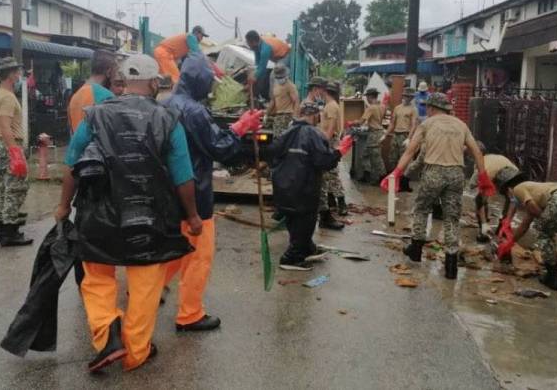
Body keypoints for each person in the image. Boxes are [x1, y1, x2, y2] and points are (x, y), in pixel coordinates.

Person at [55, 54, 202, 372]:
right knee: (146, 282)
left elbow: (72, 165)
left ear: (121, 81)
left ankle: (108, 332)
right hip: (149, 219)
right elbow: (183, 176)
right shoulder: (168, 119)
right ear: (153, 83)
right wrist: (192, 216)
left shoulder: (93, 116)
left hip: (98, 215)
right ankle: (136, 352)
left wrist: (64, 206)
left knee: (96, 277)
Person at [161, 52, 263, 331]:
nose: (210, 89)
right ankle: (190, 314)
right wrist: (241, 129)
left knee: (171, 249)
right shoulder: (195, 111)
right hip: (195, 194)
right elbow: (220, 148)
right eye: (209, 83)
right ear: (200, 81)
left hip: (168, 193)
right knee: (198, 257)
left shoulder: (166, 104)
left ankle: (147, 290)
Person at [382, 93, 494, 280]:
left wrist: (396, 172)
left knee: (421, 209)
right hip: (456, 174)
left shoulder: (427, 124)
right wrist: (483, 176)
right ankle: (451, 266)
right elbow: (476, 152)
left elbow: (410, 151)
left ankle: (416, 250)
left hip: (434, 172)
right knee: (452, 218)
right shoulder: (461, 125)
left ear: (432, 108)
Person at [269, 101, 352, 271]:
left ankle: (306, 247)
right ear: (316, 116)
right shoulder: (314, 134)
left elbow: (272, 154)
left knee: (294, 221)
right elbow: (324, 161)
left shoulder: (287, 131)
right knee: (305, 222)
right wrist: (340, 151)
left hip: (284, 189)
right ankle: (292, 258)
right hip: (303, 190)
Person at [0, 56, 33, 247]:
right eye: (17, 71)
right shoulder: (7, 97)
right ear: (11, 74)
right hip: (9, 145)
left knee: (4, 188)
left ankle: (0, 229)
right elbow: (5, 126)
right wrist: (15, 152)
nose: (20, 74)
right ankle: (10, 232)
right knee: (15, 189)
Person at [505, 181, 557, 290]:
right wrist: (510, 243)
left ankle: (553, 277)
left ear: (509, 190)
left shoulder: (518, 189)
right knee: (550, 226)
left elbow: (531, 205)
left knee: (543, 233)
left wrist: (545, 222)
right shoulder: (536, 192)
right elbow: (524, 225)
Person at [306, 78, 345, 229]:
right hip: (327, 140)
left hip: (328, 142)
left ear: (325, 91)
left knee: (331, 174)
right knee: (327, 176)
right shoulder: (330, 105)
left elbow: (331, 128)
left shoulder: (332, 106)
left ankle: (338, 204)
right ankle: (330, 206)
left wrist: (323, 144)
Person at [469, 147, 525, 243]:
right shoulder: (485, 170)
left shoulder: (515, 175)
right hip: (498, 172)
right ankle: (485, 230)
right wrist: (484, 224)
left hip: (510, 172)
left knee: (512, 199)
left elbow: (513, 201)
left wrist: (507, 222)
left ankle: (501, 229)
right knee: (480, 199)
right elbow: (481, 199)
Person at [67, 49, 118, 133]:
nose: (115, 77)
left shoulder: (75, 96)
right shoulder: (107, 96)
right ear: (108, 72)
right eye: (115, 72)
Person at [384, 87, 418, 192]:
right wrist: (386, 134)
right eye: (406, 96)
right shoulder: (397, 108)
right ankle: (394, 182)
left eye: (409, 96)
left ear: (412, 98)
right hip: (396, 135)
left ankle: (404, 185)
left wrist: (409, 138)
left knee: (405, 161)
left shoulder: (413, 109)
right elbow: (392, 123)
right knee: (392, 159)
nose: (407, 98)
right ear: (403, 96)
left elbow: (413, 125)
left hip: (405, 135)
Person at [245, 30, 291, 98]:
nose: (248, 44)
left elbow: (262, 67)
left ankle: (273, 99)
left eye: (248, 42)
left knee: (274, 75)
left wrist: (254, 78)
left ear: (253, 41)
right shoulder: (257, 47)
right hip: (278, 59)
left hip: (286, 55)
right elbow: (257, 65)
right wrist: (253, 75)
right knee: (261, 75)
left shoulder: (265, 48)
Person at [357, 87, 386, 185]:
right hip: (380, 132)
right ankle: (368, 175)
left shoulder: (371, 108)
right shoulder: (382, 106)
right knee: (366, 155)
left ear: (370, 96)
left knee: (376, 158)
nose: (367, 99)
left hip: (374, 134)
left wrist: (352, 123)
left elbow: (361, 121)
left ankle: (381, 178)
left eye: (367, 97)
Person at [266, 64, 299, 138]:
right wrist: (267, 114)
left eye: (281, 77)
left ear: (286, 75)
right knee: (277, 139)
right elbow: (273, 101)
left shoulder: (290, 86)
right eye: (277, 77)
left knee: (283, 139)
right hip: (278, 116)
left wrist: (294, 118)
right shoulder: (276, 85)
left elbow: (296, 102)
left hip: (287, 115)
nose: (279, 79)